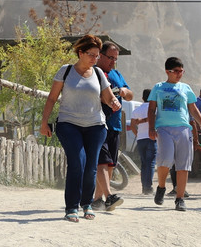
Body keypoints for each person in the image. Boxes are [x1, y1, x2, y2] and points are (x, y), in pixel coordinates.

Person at [40, 34, 121, 222]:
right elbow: (52, 98)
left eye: (97, 55)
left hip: (96, 126)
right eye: (91, 55)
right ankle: (71, 207)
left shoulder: (99, 74)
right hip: (69, 124)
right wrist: (44, 122)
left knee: (91, 166)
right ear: (80, 53)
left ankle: (87, 204)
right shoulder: (66, 71)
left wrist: (114, 101)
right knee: (77, 162)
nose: (95, 59)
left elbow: (108, 97)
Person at [149, 57, 201, 212]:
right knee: (165, 159)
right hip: (164, 128)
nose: (180, 74)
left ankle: (179, 199)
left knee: (183, 164)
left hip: (183, 129)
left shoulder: (186, 88)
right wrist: (151, 128)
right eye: (177, 71)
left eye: (182, 71)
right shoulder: (158, 87)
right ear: (168, 71)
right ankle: (161, 187)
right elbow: (152, 109)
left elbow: (194, 110)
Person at [92, 41, 133, 211]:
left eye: (115, 59)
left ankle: (97, 200)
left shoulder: (117, 74)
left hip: (115, 126)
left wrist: (123, 91)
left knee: (110, 165)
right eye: (110, 58)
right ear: (100, 55)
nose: (113, 62)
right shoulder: (93, 72)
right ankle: (108, 196)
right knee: (103, 161)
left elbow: (131, 95)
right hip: (97, 123)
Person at [130, 89, 156, 195]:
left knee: (144, 163)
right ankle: (148, 187)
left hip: (141, 140)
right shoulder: (155, 110)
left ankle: (144, 187)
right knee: (151, 163)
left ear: (142, 98)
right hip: (152, 138)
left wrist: (138, 135)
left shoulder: (136, 110)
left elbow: (132, 126)